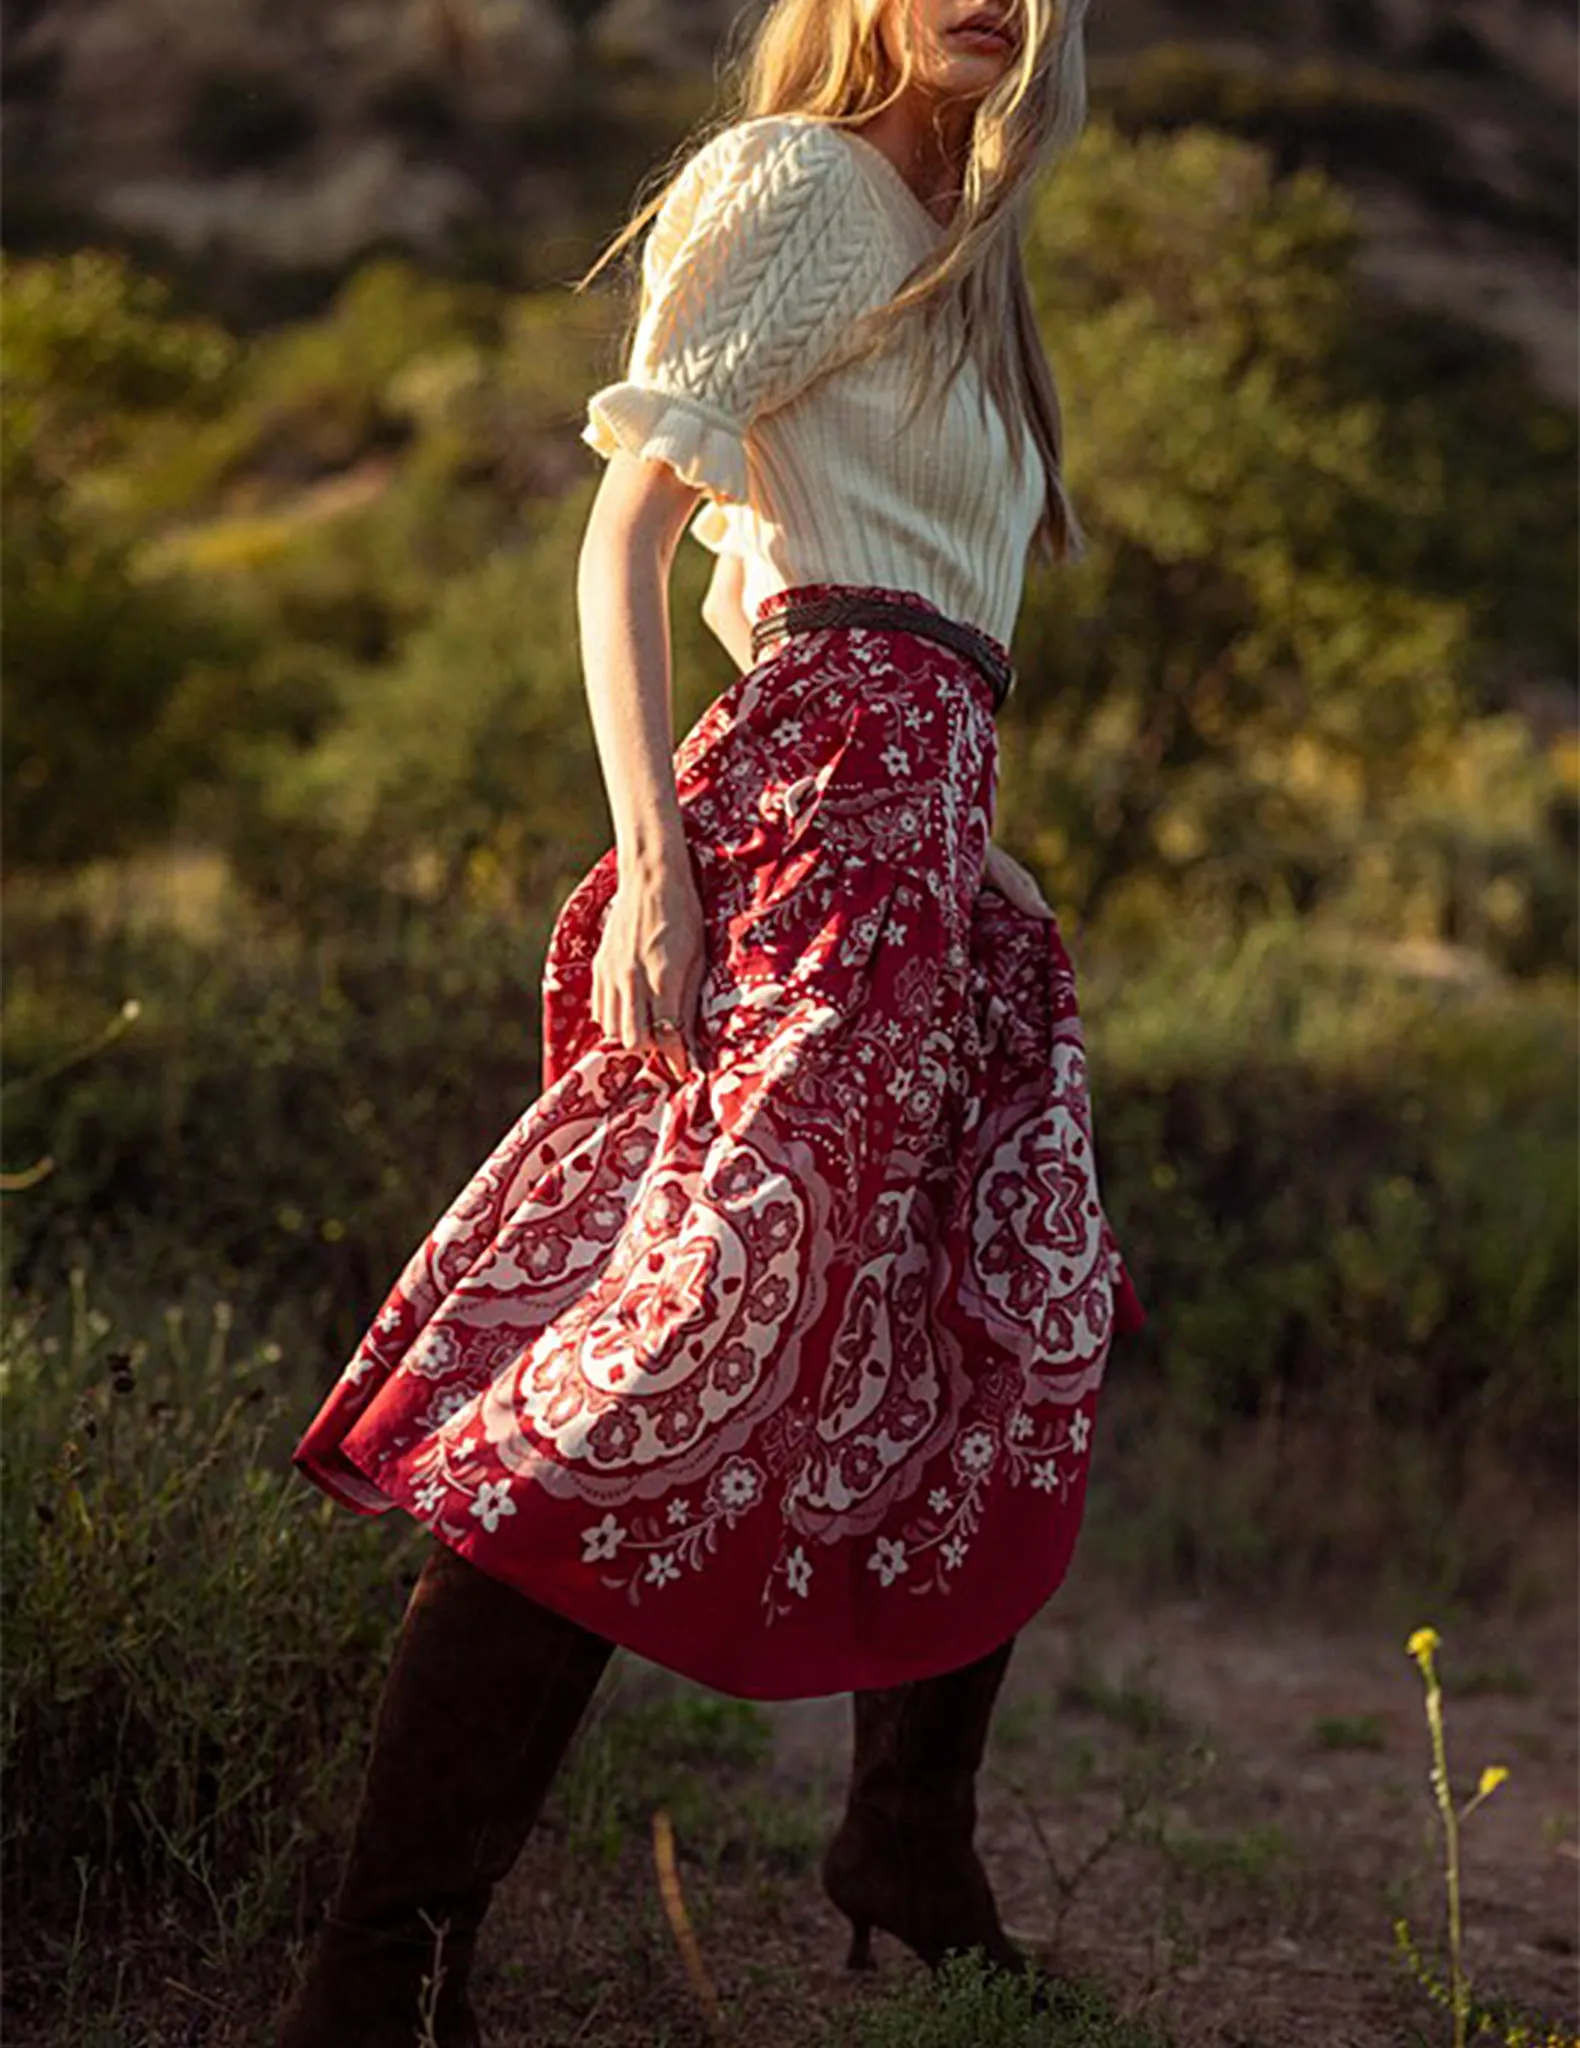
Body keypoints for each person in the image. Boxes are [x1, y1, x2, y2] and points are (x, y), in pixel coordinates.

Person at [276, 1, 1147, 2042]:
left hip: (933, 851)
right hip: (811, 843)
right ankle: (378, 1971)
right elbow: (633, 531)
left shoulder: (971, 261)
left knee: (998, 1331)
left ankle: (905, 1842)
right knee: (651, 1355)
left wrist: (981, 842)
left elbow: (901, 592)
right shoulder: (804, 185)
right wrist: (653, 860)